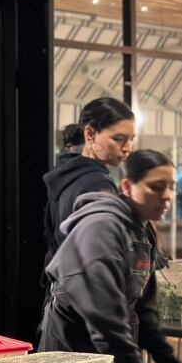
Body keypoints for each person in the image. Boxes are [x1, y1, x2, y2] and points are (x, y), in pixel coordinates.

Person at [39, 150, 182, 363]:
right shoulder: (100, 228)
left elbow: (144, 306)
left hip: (110, 356)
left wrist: (168, 361)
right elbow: (103, 316)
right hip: (73, 357)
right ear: (127, 187)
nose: (167, 196)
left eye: (172, 187)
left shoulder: (143, 231)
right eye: (156, 187)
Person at [43, 97, 136, 266]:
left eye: (131, 139)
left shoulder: (67, 177)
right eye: (119, 138)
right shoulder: (97, 186)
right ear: (90, 134)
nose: (128, 147)